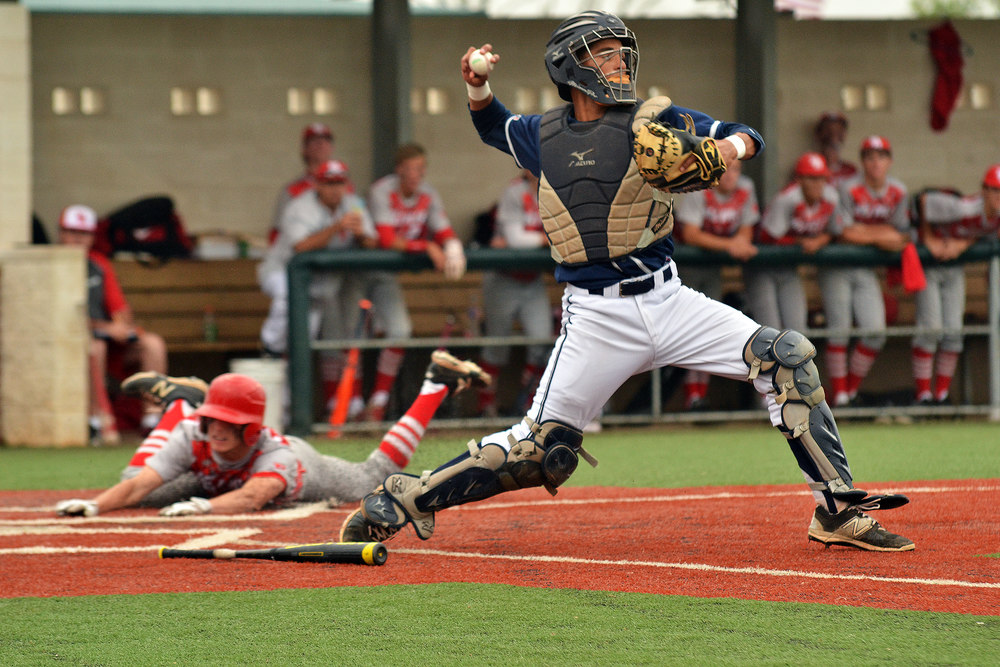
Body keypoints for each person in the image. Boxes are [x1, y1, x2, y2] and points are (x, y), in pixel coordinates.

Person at [340, 11, 914, 552]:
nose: (619, 65)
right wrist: (477, 86)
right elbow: (492, 125)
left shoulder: (650, 119)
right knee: (543, 451)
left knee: (786, 357)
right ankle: (408, 496)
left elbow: (749, 134)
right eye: (605, 55)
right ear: (571, 68)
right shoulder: (543, 134)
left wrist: (719, 149)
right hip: (596, 317)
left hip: (670, 299)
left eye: (621, 55)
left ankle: (836, 511)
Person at [54, 350, 491, 517]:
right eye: (212, 418)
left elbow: (251, 498)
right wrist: (94, 505)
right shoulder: (196, 434)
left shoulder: (279, 455)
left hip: (296, 475)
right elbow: (142, 484)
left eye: (231, 422)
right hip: (219, 479)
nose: (218, 428)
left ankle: (435, 383)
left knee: (372, 476)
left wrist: (202, 508)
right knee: (136, 487)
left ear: (252, 429)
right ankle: (181, 402)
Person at [257, 159, 376, 419]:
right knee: (285, 302)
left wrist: (360, 235)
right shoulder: (299, 207)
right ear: (317, 184)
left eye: (339, 182)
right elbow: (300, 248)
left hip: (318, 285)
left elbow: (372, 241)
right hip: (281, 272)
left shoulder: (354, 204)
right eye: (329, 183)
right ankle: (270, 346)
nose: (335, 189)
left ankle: (286, 409)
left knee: (300, 343)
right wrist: (336, 227)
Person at [361, 143, 466, 422]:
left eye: (419, 168)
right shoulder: (382, 190)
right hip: (356, 271)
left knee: (400, 330)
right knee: (347, 337)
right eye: (409, 169)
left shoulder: (427, 193)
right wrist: (426, 246)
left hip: (385, 276)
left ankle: (377, 402)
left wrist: (452, 246)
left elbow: (442, 230)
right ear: (398, 170)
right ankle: (345, 406)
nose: (414, 174)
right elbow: (385, 239)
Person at [58, 204, 169, 445]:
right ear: (61, 234)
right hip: (69, 347)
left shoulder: (98, 263)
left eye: (84, 233)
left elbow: (120, 310)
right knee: (96, 345)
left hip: (109, 345)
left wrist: (122, 325)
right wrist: (105, 328)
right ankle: (98, 420)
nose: (78, 239)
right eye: (72, 232)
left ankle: (153, 420)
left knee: (152, 344)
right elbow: (58, 319)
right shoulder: (53, 266)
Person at [826, 136, 911, 407]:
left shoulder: (898, 190)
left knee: (875, 331)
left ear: (890, 161)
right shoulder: (847, 188)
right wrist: (880, 234)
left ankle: (850, 391)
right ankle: (839, 396)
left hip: (866, 269)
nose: (876, 162)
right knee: (839, 331)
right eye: (870, 157)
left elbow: (901, 235)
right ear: (862, 162)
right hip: (837, 265)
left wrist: (868, 233)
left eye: (881, 156)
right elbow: (843, 233)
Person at [673, 159, 760, 410]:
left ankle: (700, 395)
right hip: (686, 267)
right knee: (687, 332)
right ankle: (692, 396)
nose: (731, 175)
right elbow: (690, 233)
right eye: (726, 170)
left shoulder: (745, 187)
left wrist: (740, 242)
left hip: (712, 268)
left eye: (736, 170)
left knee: (706, 331)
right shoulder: (698, 185)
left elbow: (746, 227)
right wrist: (730, 245)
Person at [911, 164, 1000, 405]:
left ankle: (941, 396)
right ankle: (923, 397)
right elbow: (923, 201)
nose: (997, 197)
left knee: (953, 331)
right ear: (984, 191)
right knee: (931, 328)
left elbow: (983, 233)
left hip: (954, 265)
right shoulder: (962, 207)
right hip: (930, 261)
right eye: (994, 190)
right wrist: (928, 238)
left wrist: (964, 243)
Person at [476, 169, 554, 417]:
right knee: (497, 346)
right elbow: (515, 239)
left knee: (541, 343)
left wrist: (538, 239)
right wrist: (546, 239)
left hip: (532, 279)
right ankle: (485, 406)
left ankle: (528, 405)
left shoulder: (555, 192)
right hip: (503, 278)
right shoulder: (515, 192)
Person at [744, 152, 842, 334]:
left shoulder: (831, 197)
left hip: (789, 268)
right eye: (812, 178)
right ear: (799, 180)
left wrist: (819, 240)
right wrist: (798, 241)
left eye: (822, 178)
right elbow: (766, 237)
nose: (818, 184)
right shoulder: (788, 198)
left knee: (798, 332)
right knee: (769, 332)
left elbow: (835, 231)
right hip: (762, 267)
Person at [268, 123, 347, 242]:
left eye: (325, 140)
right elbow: (276, 233)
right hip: (300, 251)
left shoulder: (347, 187)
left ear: (332, 148)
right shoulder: (292, 190)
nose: (320, 144)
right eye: (314, 141)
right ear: (304, 149)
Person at [813, 111, 857, 187]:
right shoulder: (809, 167)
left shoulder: (850, 170)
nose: (833, 134)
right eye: (828, 129)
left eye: (838, 130)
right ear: (818, 134)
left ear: (844, 135)